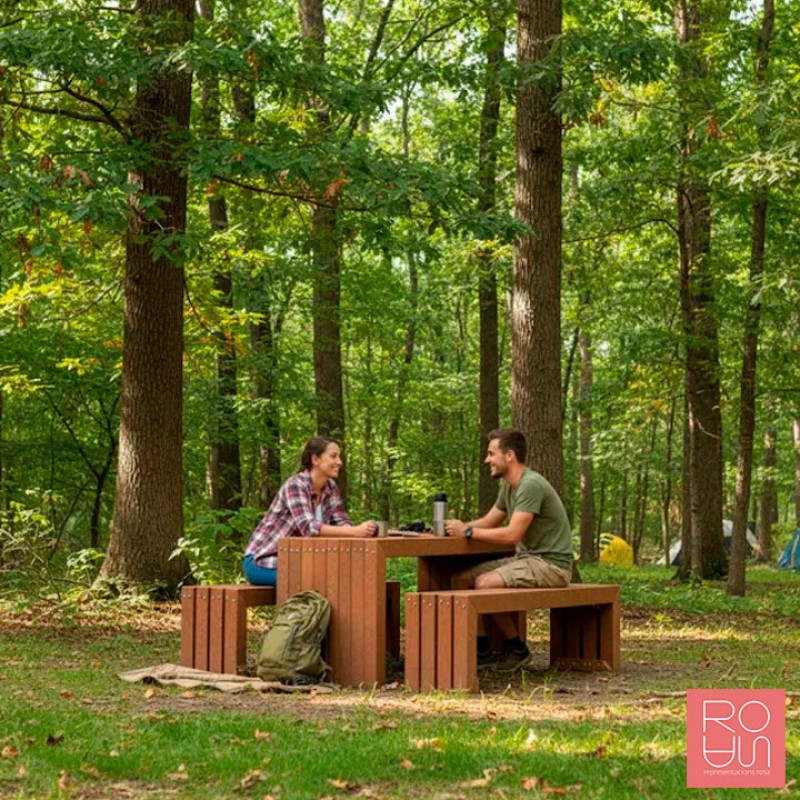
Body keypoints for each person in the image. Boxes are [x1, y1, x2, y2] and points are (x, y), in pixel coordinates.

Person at [444, 428, 573, 672]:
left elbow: (512, 534)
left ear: (510, 455)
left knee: (484, 583)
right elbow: (489, 521)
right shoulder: (509, 487)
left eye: (491, 454)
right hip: (527, 558)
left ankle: (517, 649)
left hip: (552, 565)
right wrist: (454, 527)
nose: (487, 460)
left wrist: (468, 532)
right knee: (460, 579)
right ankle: (482, 651)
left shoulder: (530, 485)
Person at [243, 437, 377, 586]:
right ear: (315, 459)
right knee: (318, 581)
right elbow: (308, 527)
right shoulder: (296, 485)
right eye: (333, 456)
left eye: (339, 456)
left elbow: (342, 523)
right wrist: (356, 532)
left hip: (299, 560)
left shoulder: (330, 487)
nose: (339, 462)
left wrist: (367, 530)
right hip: (262, 561)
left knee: (349, 577)